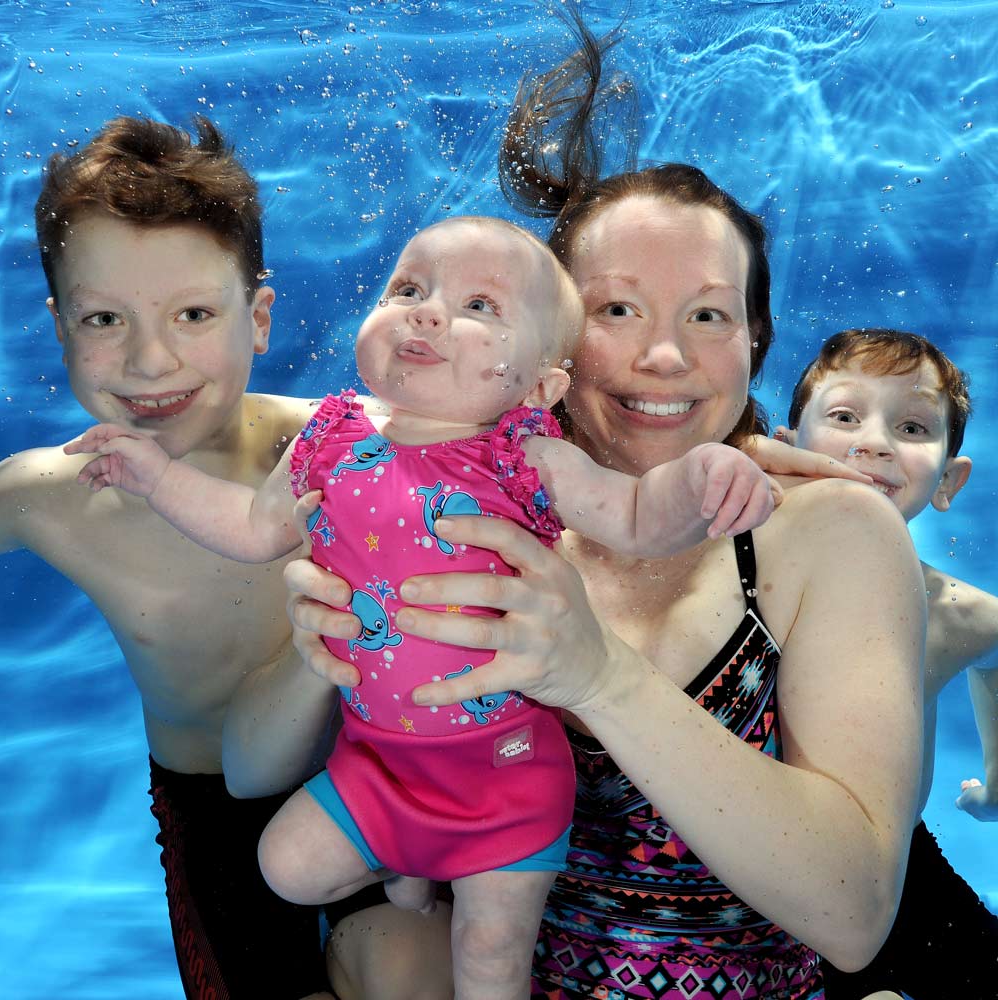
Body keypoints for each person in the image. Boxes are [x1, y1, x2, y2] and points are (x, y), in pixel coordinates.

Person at [273, 24, 926, 1000]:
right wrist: (317, 644)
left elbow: (853, 915)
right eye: (617, 311)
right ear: (550, 348)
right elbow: (308, 797)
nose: (663, 358)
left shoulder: (819, 532)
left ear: (754, 340)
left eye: (706, 315)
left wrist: (599, 676)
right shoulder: (466, 499)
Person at [66, 214, 778, 1000]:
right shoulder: (330, 437)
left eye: (481, 307)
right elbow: (252, 528)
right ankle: (411, 866)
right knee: (286, 869)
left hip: (503, 777)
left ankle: (427, 877)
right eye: (409, 288)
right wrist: (155, 478)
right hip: (376, 760)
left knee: (488, 961)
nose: (429, 312)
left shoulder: (526, 454)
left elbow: (639, 517)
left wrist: (708, 473)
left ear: (541, 385)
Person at [0, 115, 334, 999]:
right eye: (106, 318)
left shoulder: (334, 450)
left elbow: (519, 449)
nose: (151, 360)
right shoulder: (46, 498)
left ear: (258, 318)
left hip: (385, 777)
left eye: (193, 313)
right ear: (61, 328)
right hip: (215, 826)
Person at [778, 328, 998, 999]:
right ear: (785, 455)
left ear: (948, 479)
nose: (874, 442)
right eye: (845, 417)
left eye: (910, 426)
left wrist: (995, 776)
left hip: (894, 862)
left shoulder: (959, 613)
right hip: (747, 865)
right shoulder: (733, 579)